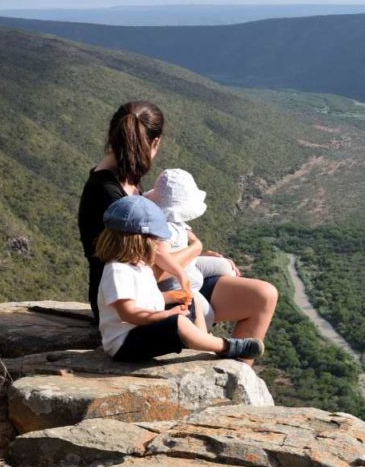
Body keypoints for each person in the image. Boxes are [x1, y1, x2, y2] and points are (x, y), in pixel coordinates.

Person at [77, 100, 278, 364]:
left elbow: (158, 252)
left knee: (263, 295)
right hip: (135, 295)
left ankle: (238, 373)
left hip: (160, 286)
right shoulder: (110, 197)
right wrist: (192, 251)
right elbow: (143, 266)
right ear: (154, 143)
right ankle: (227, 366)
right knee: (194, 315)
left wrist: (193, 255)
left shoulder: (129, 182)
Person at [94, 195, 262, 362]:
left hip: (142, 330)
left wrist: (173, 296)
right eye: (156, 239)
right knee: (179, 323)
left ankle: (203, 339)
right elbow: (129, 314)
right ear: (140, 240)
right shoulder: (117, 271)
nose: (158, 244)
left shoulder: (139, 266)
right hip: (125, 344)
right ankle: (226, 347)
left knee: (192, 297)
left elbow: (146, 299)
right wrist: (167, 315)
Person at [143, 168, 239, 326]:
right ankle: (199, 326)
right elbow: (159, 253)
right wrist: (180, 273)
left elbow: (185, 230)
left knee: (226, 266)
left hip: (191, 267)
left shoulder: (173, 220)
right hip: (180, 286)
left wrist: (196, 245)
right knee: (208, 316)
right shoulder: (164, 229)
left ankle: (215, 294)